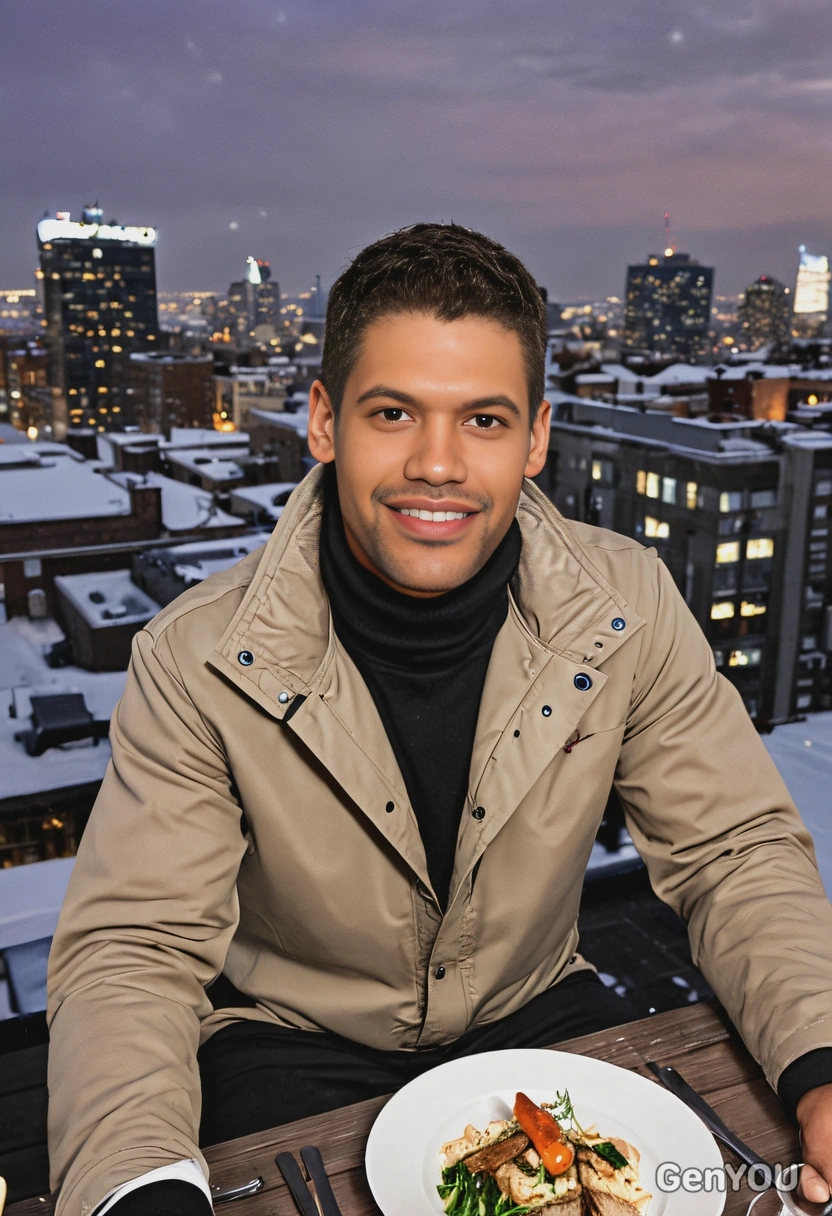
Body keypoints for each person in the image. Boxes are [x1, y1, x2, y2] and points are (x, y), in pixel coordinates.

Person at [48, 224, 832, 1216]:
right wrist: (135, 1183)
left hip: (537, 1019)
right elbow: (134, 948)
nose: (437, 463)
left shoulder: (626, 602)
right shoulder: (194, 655)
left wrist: (821, 1056)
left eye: (484, 421)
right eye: (393, 412)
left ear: (536, 436)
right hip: (290, 1050)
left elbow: (734, 848)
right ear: (325, 422)